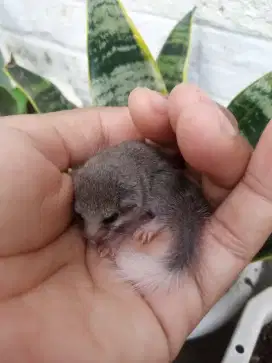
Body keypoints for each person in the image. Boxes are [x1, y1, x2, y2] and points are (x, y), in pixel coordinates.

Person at [0, 83, 271, 362]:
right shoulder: (87, 182)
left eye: (105, 221)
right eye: (83, 217)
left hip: (152, 181)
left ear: (127, 204)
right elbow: (104, 213)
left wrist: (149, 225)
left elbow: (132, 210)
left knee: (163, 193)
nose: (90, 233)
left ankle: (161, 225)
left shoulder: (132, 195)